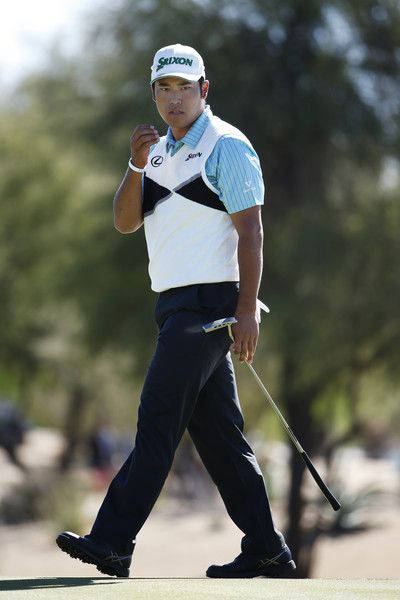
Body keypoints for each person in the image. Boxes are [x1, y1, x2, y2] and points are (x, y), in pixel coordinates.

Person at [56, 43, 295, 579]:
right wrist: (134, 166)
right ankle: (266, 548)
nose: (174, 98)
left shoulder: (226, 146)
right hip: (173, 307)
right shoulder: (157, 152)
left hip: (209, 307)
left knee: (157, 421)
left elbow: (251, 232)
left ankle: (113, 541)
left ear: (204, 90)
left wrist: (246, 311)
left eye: (185, 87)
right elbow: (124, 221)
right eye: (164, 88)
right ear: (154, 94)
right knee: (221, 440)